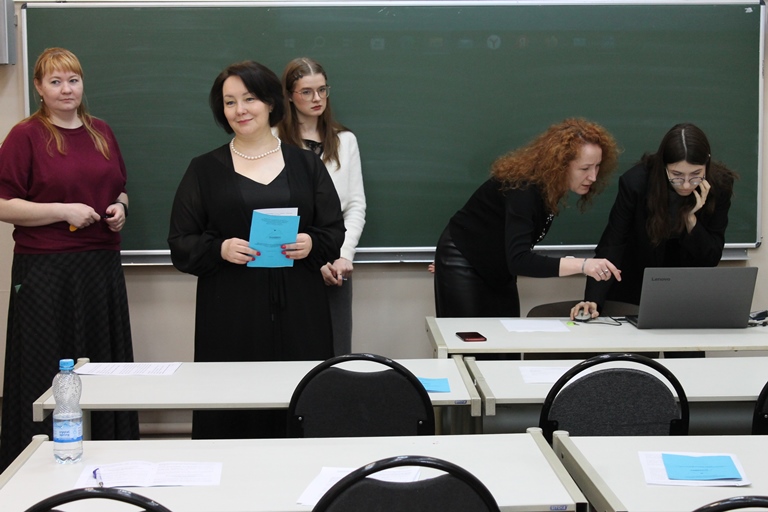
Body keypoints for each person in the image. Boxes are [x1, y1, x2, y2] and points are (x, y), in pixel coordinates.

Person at [168, 60, 344, 439]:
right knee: (233, 408)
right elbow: (180, 241)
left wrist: (312, 242)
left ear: (270, 103)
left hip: (301, 307)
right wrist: (220, 249)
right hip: (231, 312)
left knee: (301, 401)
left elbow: (333, 229)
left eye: (249, 99)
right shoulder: (204, 169)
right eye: (229, 102)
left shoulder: (306, 164)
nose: (240, 110)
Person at [0, 47, 138, 471]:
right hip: (46, 270)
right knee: (45, 367)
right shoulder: (25, 136)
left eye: (73, 80)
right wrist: (63, 211)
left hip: (100, 267)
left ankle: (110, 455)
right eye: (55, 81)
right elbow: (3, 203)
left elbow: (120, 189)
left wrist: (121, 208)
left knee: (103, 368)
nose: (66, 89)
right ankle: (39, 462)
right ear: (39, 88)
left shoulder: (101, 132)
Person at [434, 118, 621, 318]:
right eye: (585, 168)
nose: (593, 177)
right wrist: (583, 265)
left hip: (499, 268)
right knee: (468, 336)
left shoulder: (550, 186)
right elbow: (519, 260)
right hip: (464, 260)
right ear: (560, 165)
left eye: (597, 166)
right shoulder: (524, 188)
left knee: (507, 335)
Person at [572, 123, 737, 319]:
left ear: (706, 165)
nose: (686, 185)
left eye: (695, 175)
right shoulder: (636, 183)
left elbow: (710, 257)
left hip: (688, 292)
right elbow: (613, 244)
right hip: (634, 286)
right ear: (664, 165)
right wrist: (593, 300)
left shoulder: (719, 186)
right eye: (677, 175)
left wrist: (690, 220)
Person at [278, 57, 366, 356]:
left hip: (336, 264)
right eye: (306, 91)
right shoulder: (274, 140)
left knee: (336, 352)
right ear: (290, 96)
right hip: (289, 261)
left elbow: (355, 205)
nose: (317, 98)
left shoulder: (345, 140)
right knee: (288, 352)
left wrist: (343, 255)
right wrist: (313, 260)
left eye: (322, 90)